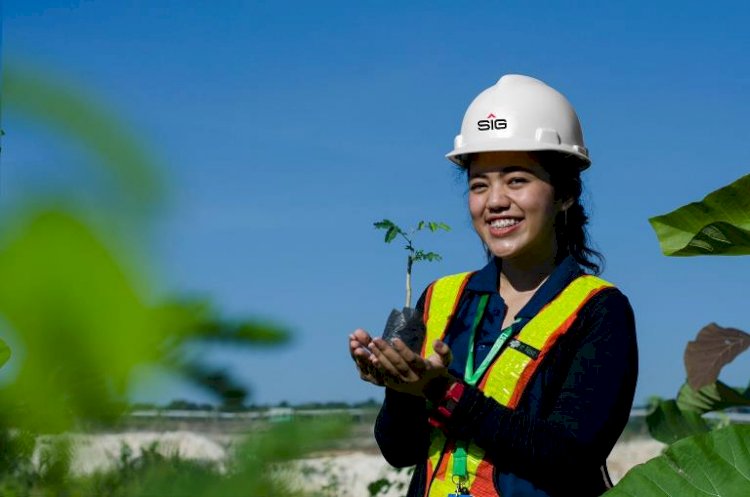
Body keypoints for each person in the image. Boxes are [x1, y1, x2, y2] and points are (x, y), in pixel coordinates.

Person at [348, 74, 638, 497]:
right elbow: (399, 449)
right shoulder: (441, 298)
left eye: (517, 180)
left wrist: (440, 389)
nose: (495, 200)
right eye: (479, 185)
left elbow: (570, 457)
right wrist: (401, 388)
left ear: (565, 194)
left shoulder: (599, 310)